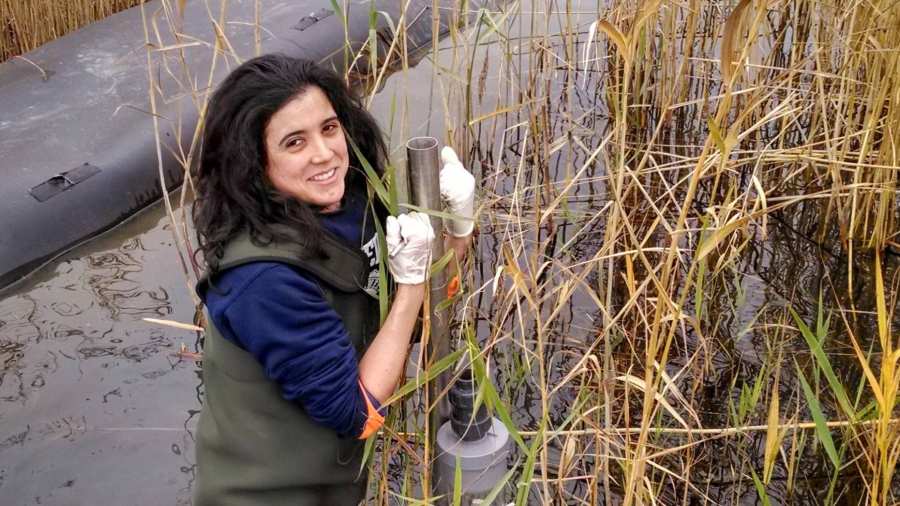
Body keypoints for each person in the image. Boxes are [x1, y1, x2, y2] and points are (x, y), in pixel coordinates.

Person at [190, 53, 476, 506]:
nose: (324, 154)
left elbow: (412, 326)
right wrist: (411, 286)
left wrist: (458, 231)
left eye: (328, 128)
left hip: (330, 484)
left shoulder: (350, 206)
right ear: (254, 160)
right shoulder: (262, 280)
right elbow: (357, 413)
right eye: (294, 142)